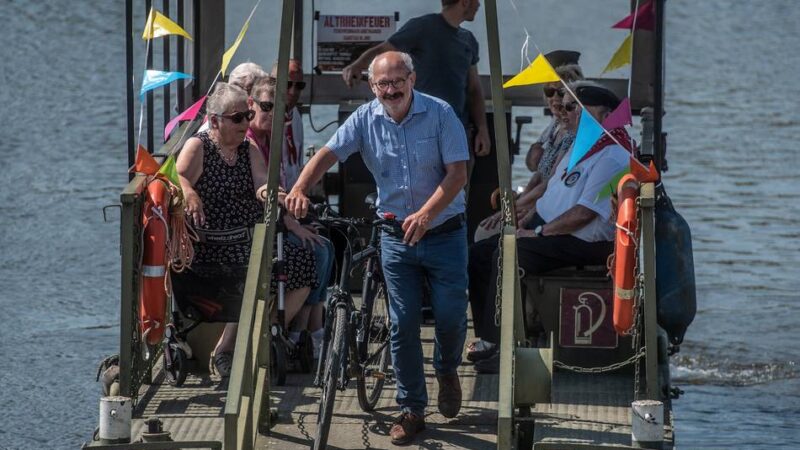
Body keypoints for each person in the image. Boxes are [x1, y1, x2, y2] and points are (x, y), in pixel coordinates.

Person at [286, 52, 469, 445]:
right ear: (372, 87)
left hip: (444, 232)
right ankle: (412, 409)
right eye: (382, 84)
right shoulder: (365, 117)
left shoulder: (441, 114)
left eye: (397, 81)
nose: (391, 90)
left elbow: (458, 174)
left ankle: (447, 368)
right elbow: (327, 154)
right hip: (395, 236)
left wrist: (425, 214)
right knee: (401, 323)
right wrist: (300, 187)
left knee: (452, 315)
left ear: (412, 78)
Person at [467, 82, 636, 374]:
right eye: (566, 106)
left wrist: (537, 233)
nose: (565, 112)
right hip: (552, 228)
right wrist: (524, 213)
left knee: (508, 254)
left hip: (582, 242)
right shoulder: (582, 146)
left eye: (575, 108)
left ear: (605, 115)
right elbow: (552, 189)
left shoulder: (613, 155)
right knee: (478, 254)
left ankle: (501, 346)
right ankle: (488, 336)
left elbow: (583, 214)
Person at [174, 82, 317, 378]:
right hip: (211, 243)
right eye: (237, 118)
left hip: (247, 237)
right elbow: (178, 180)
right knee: (253, 268)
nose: (245, 124)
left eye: (247, 116)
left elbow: (261, 182)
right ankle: (226, 350)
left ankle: (255, 337)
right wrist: (189, 193)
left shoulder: (247, 148)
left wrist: (271, 194)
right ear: (214, 120)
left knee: (305, 262)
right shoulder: (199, 146)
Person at [246, 75, 334, 359]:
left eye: (280, 109)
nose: (273, 114)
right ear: (251, 105)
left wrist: (294, 219)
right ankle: (302, 331)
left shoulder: (271, 139)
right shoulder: (248, 141)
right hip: (257, 229)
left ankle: (304, 329)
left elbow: (279, 186)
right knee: (317, 251)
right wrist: (293, 223)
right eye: (267, 106)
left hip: (277, 221)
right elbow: (263, 192)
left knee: (325, 243)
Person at [341, 0, 491, 162]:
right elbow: (383, 51)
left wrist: (482, 129)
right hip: (421, 133)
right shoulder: (422, 27)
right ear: (464, 2)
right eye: (476, 0)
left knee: (459, 185)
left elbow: (474, 90)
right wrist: (356, 66)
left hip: (458, 132)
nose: (478, 5)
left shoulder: (468, 40)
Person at [474, 51, 584, 242]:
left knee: (486, 234)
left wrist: (513, 209)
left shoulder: (575, 132)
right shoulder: (555, 126)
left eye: (560, 92)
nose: (554, 99)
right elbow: (536, 170)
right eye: (549, 92)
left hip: (555, 204)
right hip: (539, 198)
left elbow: (550, 183)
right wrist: (516, 204)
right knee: (485, 231)